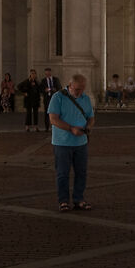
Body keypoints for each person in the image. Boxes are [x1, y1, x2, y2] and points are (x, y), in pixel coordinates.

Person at [47, 73, 95, 211]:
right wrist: (71, 129)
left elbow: (91, 117)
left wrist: (89, 127)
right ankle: (63, 201)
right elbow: (53, 119)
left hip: (81, 142)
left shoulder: (85, 98)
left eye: (83, 88)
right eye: (78, 89)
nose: (80, 92)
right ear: (70, 85)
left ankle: (79, 199)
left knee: (81, 172)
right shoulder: (58, 97)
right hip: (62, 142)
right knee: (62, 173)